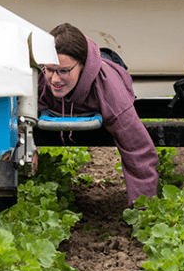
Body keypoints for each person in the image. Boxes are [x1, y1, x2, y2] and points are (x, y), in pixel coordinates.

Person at [38, 23, 159, 207]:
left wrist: (142, 211)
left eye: (63, 71)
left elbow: (139, 150)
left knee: (108, 59)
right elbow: (14, 120)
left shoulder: (111, 92)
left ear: (83, 65)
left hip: (109, 64)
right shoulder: (38, 79)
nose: (54, 79)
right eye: (49, 69)